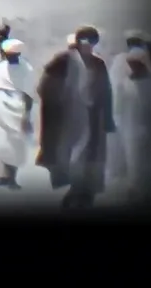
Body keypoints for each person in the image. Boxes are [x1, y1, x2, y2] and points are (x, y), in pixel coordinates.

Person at [36, 29, 115, 210]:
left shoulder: (98, 63)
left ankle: (84, 193)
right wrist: (60, 100)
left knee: (89, 157)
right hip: (66, 118)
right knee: (69, 156)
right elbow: (44, 86)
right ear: (78, 42)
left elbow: (106, 92)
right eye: (84, 41)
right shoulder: (62, 61)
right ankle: (75, 191)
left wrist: (108, 118)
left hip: (92, 118)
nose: (87, 45)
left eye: (91, 42)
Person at [112, 45, 151, 204]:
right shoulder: (124, 83)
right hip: (129, 129)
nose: (133, 66)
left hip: (148, 128)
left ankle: (146, 191)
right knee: (134, 161)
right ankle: (135, 190)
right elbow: (118, 108)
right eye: (131, 63)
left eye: (137, 63)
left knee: (148, 161)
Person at [0, 37, 35, 189]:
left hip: (17, 107)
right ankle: (3, 173)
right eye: (8, 54)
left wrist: (27, 115)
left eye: (13, 55)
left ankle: (12, 176)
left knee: (16, 143)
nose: (10, 57)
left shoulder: (26, 68)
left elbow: (29, 93)